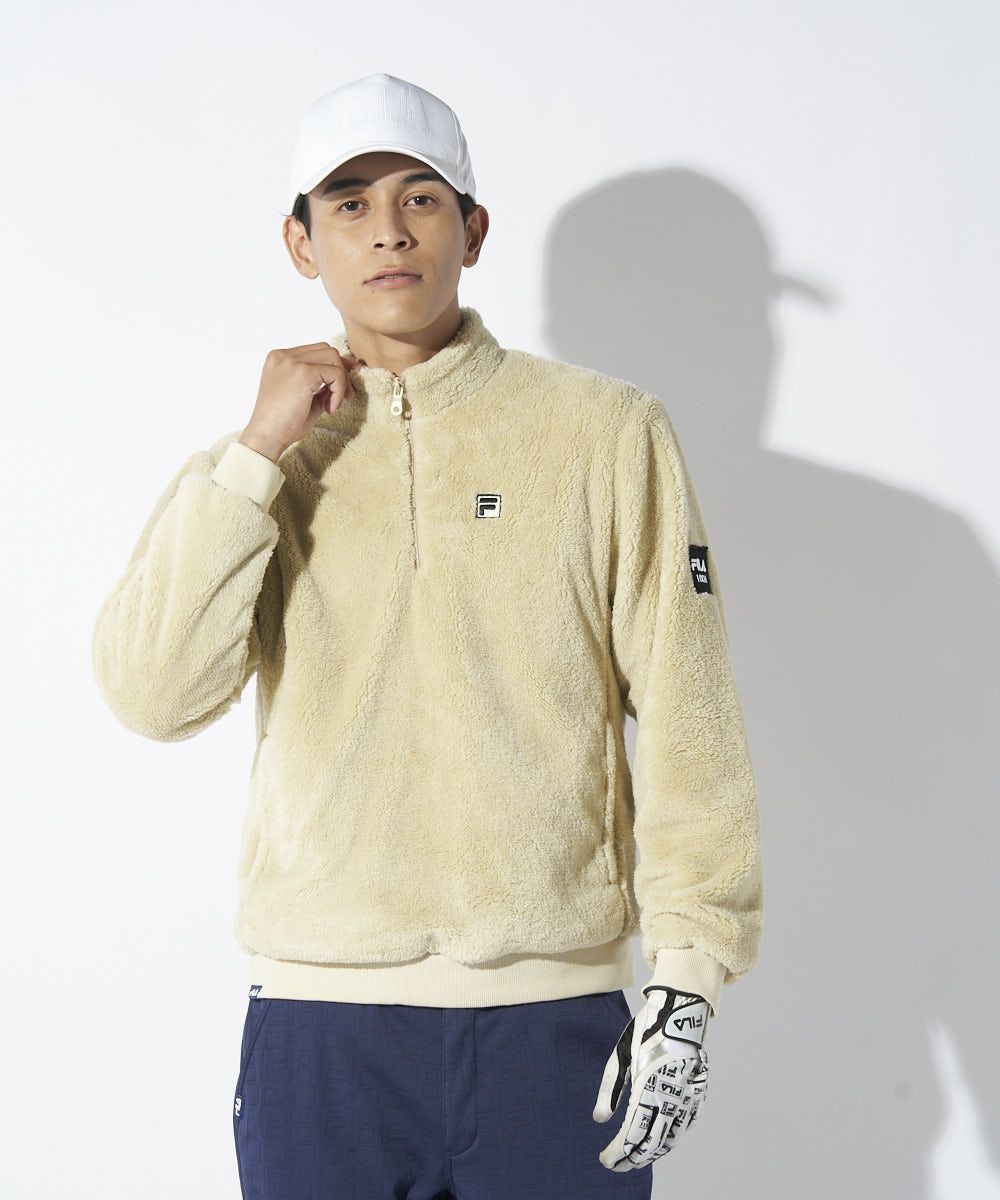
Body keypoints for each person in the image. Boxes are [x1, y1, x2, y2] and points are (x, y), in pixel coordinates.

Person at [91, 72, 763, 1199]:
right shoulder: (252, 469)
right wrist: (256, 455)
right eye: (349, 204)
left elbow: (691, 715)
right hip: (321, 1031)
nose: (389, 231)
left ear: (473, 230)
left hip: (554, 1026)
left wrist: (687, 981)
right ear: (301, 244)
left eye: (421, 198)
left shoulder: (604, 433)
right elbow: (153, 696)